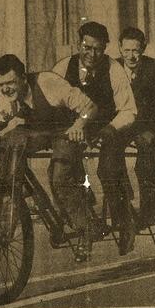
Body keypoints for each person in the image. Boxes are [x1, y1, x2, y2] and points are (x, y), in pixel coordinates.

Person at [0, 54, 98, 261]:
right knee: (3, 146)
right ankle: (25, 193)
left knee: (59, 178)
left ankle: (86, 229)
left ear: (23, 78)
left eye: (11, 83)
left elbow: (90, 108)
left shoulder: (48, 83)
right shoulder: (6, 95)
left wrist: (78, 126)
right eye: (1, 84)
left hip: (65, 130)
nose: (6, 89)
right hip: (37, 131)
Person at [53, 21, 137, 256]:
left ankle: (124, 219)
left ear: (106, 48)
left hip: (109, 126)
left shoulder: (114, 70)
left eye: (97, 49)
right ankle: (85, 226)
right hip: (78, 127)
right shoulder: (62, 67)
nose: (91, 54)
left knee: (108, 171)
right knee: (61, 171)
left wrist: (111, 129)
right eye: (86, 47)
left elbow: (129, 110)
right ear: (78, 44)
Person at [117, 27, 155, 247]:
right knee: (111, 161)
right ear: (120, 48)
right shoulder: (111, 67)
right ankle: (126, 214)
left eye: (136, 51)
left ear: (144, 49)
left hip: (150, 127)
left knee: (145, 166)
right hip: (124, 125)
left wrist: (151, 130)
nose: (131, 56)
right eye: (127, 50)